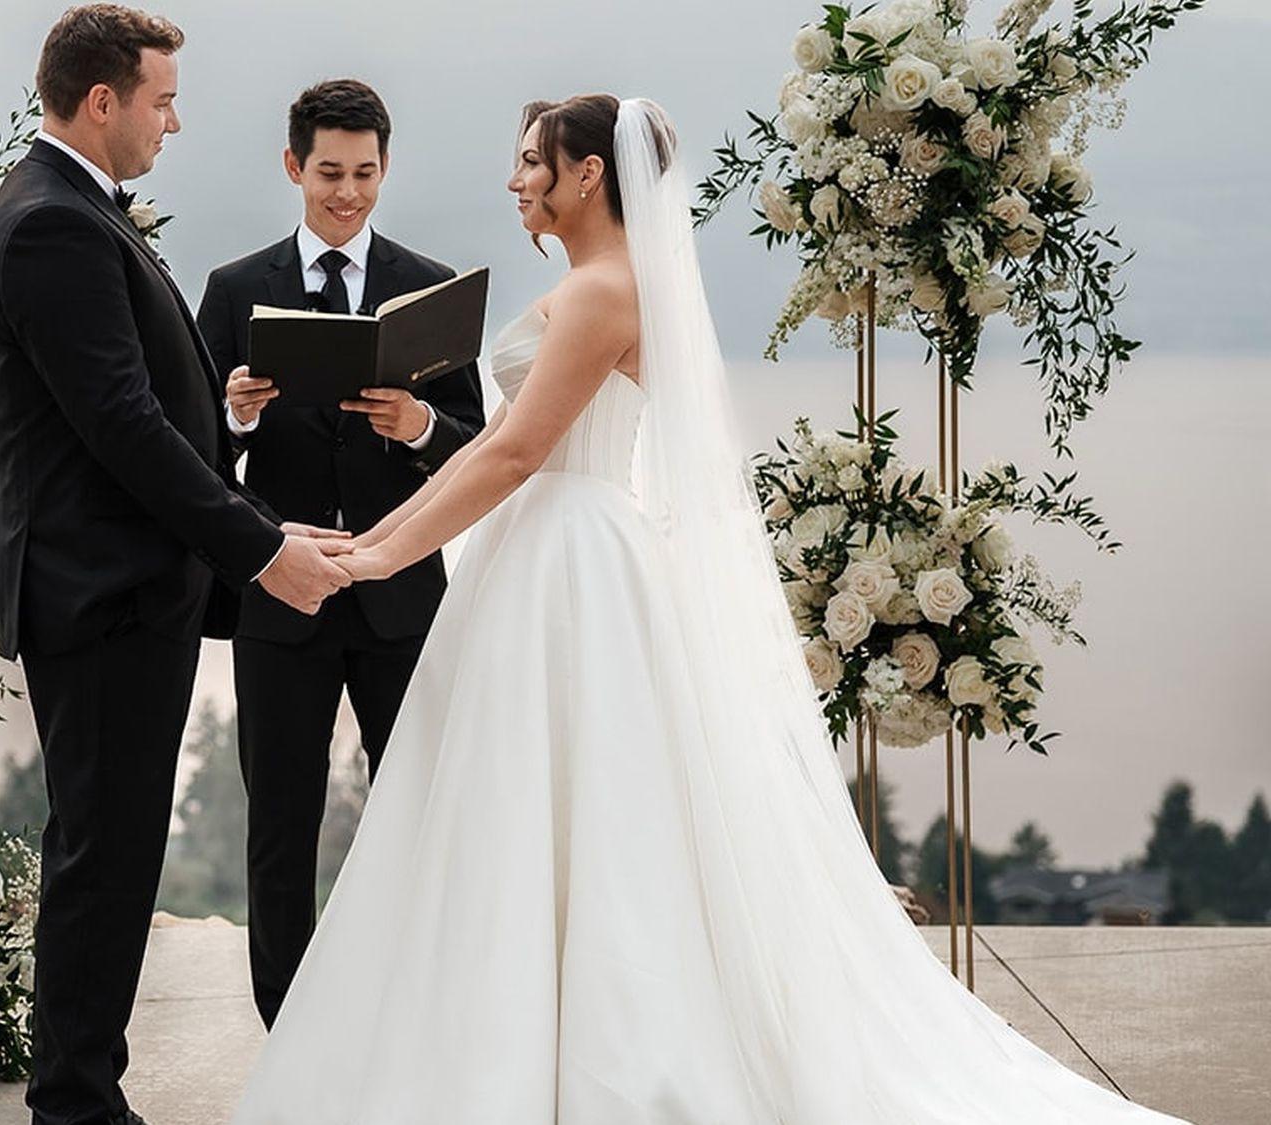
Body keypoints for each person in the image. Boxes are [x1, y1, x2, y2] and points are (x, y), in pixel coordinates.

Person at [230, 94, 1189, 1124]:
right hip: (537, 557)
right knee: (513, 809)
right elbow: (484, 448)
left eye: (529, 163)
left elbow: (514, 454)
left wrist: (376, 563)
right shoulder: (590, 285)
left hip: (573, 565)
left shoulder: (605, 293)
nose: (514, 181)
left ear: (587, 175)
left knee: (583, 817)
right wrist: (367, 545)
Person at [0, 7, 352, 1124]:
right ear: (103, 101)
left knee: (110, 850)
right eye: (162, 100)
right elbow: (124, 427)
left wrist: (254, 514)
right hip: (103, 598)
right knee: (104, 856)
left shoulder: (73, 209)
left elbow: (155, 415)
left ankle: (83, 1092)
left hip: (125, 592)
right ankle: (77, 1106)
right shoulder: (53, 224)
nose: (173, 122)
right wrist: (261, 551)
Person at [195, 78, 485, 1029]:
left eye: (365, 172)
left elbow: (481, 446)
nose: (348, 192)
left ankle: (414, 1009)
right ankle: (288, 1025)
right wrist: (232, 416)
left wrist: (418, 424)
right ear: (294, 167)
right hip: (282, 601)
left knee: (418, 816)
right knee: (280, 825)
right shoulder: (236, 291)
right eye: (329, 172)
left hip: (401, 597)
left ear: (385, 168)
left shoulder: (432, 287)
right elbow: (190, 454)